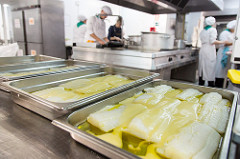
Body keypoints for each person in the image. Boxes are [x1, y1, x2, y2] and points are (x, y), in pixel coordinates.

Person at [198, 16, 227, 87]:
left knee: (202, 67)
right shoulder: (213, 30)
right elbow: (212, 41)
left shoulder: (203, 30)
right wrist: (223, 42)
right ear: (213, 23)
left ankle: (201, 83)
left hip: (203, 49)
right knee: (210, 67)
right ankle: (210, 85)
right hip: (209, 50)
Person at [215, 20, 236, 88]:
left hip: (229, 53)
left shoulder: (233, 33)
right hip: (223, 53)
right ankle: (218, 84)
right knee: (220, 70)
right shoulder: (224, 33)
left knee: (226, 71)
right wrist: (234, 43)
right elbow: (224, 43)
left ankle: (225, 84)